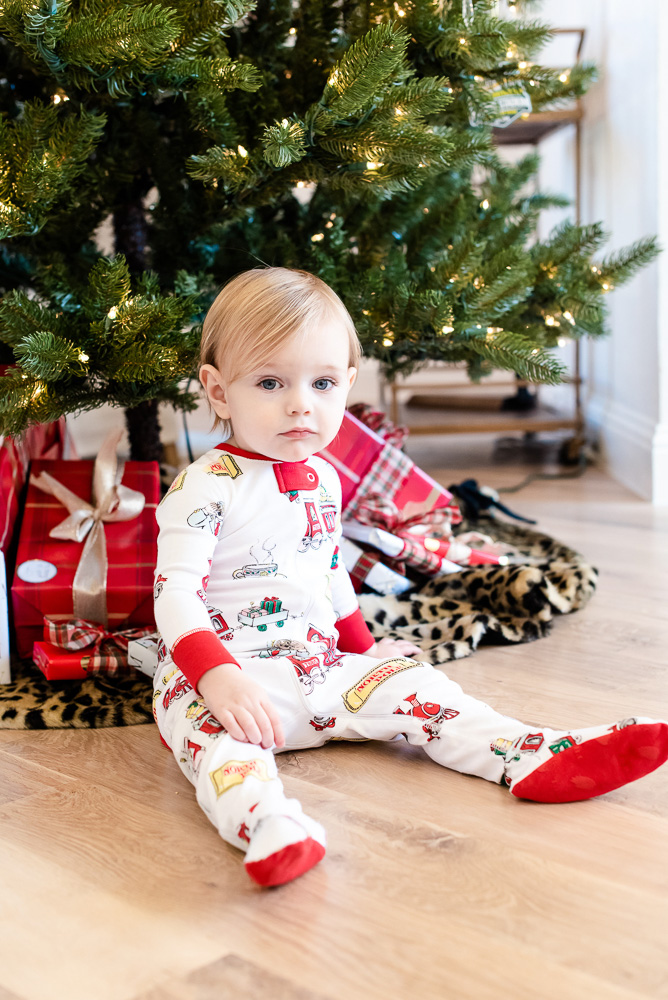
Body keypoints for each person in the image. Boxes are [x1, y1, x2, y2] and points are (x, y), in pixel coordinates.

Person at [153, 267, 668, 888]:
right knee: (219, 751)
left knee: (421, 686)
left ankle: (528, 753)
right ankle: (267, 824)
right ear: (217, 390)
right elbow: (174, 593)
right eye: (270, 382)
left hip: (316, 668)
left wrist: (366, 655)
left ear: (346, 384)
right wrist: (218, 677)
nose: (300, 404)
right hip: (225, 680)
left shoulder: (325, 477)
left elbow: (329, 571)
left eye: (321, 383)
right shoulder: (201, 487)